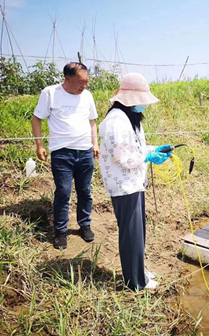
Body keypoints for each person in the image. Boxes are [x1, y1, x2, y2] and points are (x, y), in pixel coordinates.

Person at [98, 73, 172, 291]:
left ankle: (138, 271)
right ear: (131, 99)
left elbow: (135, 149)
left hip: (134, 183)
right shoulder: (116, 121)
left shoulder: (129, 118)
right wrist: (147, 157)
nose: (144, 105)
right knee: (131, 234)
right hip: (123, 185)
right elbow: (123, 157)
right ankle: (135, 282)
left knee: (138, 232)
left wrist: (152, 150)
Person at [32, 62, 99, 249]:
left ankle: (84, 225)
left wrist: (95, 143)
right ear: (67, 79)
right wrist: (39, 145)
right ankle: (60, 231)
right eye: (81, 82)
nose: (84, 86)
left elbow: (92, 121)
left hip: (85, 151)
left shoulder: (87, 96)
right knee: (63, 192)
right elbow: (37, 118)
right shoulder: (50, 93)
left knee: (85, 190)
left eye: (86, 82)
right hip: (62, 153)